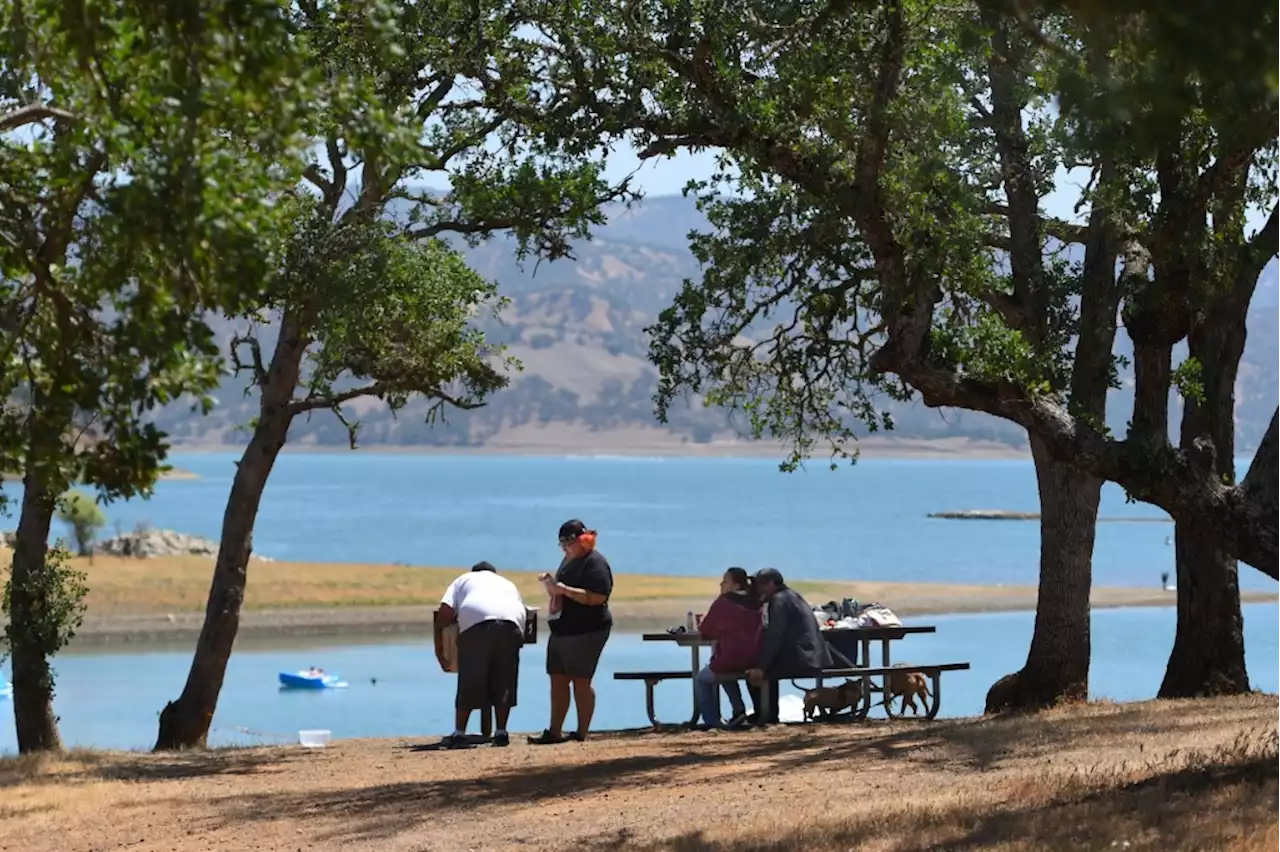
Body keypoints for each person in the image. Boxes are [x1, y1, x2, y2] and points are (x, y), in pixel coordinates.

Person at [529, 519, 613, 744]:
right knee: (557, 677)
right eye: (562, 545)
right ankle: (554, 731)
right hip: (562, 627)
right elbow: (561, 590)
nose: (565, 549)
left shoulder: (595, 562)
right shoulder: (568, 560)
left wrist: (564, 590)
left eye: (569, 544)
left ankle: (581, 732)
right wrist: (552, 586)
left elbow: (598, 596)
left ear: (583, 540)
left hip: (588, 628)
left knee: (581, 679)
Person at [436, 561, 527, 748]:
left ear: (474, 573)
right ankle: (501, 732)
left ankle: (460, 733)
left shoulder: (463, 580)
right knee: (505, 678)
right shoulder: (506, 583)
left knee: (471, 676)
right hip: (512, 624)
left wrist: (439, 647)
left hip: (477, 623)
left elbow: (445, 612)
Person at [748, 567, 846, 724]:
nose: (757, 589)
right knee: (763, 666)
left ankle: (766, 715)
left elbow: (774, 636)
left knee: (755, 670)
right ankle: (767, 714)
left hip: (802, 658)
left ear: (771, 584)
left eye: (760, 585)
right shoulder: (791, 596)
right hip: (812, 655)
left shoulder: (778, 601)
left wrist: (760, 666)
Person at [694, 567, 762, 729]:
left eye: (725, 581)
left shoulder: (724, 602)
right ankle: (738, 711)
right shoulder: (758, 602)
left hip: (731, 659)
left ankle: (711, 720)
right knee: (721, 668)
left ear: (736, 585)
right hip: (756, 659)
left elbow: (706, 630)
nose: (721, 584)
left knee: (703, 678)